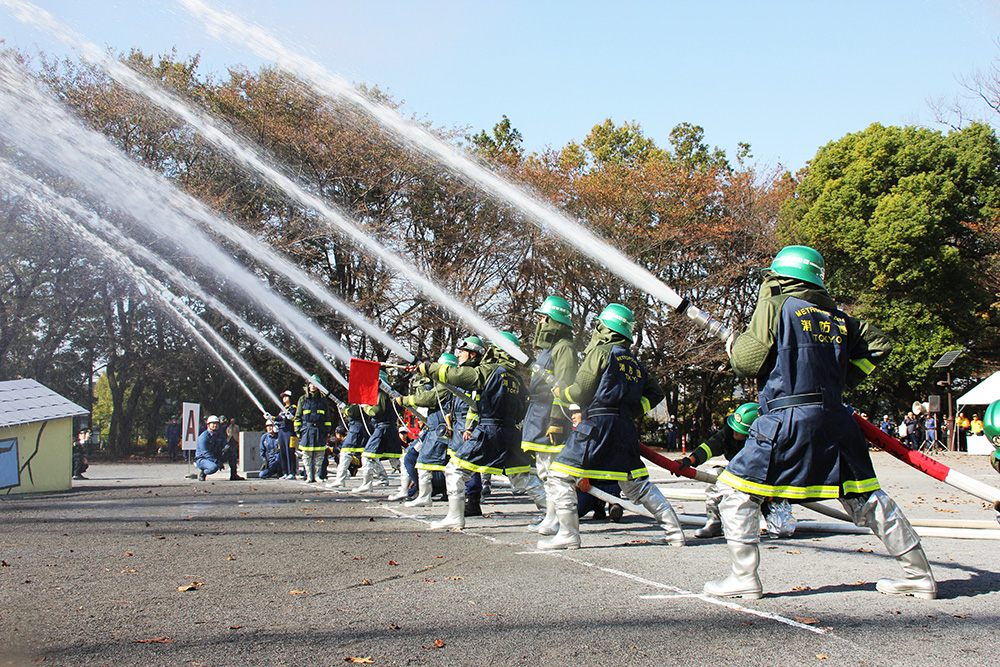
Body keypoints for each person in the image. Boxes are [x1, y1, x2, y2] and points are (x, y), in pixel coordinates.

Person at [707, 245, 935, 600]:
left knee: (734, 492)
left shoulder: (775, 305)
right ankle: (919, 574)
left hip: (786, 418)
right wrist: (843, 378)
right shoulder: (839, 318)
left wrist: (735, 345)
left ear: (779, 277)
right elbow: (879, 344)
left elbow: (748, 364)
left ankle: (743, 578)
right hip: (836, 419)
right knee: (866, 499)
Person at [541, 303, 685, 551]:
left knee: (559, 475)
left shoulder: (600, 353)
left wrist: (560, 391)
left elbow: (579, 393)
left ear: (603, 327)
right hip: (624, 428)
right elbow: (656, 392)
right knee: (636, 484)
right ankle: (674, 532)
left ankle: (567, 534)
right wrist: (631, 410)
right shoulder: (634, 362)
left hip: (596, 427)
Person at [414, 332, 537, 531]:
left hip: (488, 430)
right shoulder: (516, 378)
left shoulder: (489, 371)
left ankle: (455, 517)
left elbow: (455, 375)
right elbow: (523, 407)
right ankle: (552, 514)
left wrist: (427, 368)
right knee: (522, 478)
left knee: (454, 470)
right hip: (511, 433)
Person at [675, 403, 795, 539]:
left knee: (782, 531)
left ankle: (762, 518)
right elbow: (711, 446)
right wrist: (690, 461)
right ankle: (714, 522)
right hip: (737, 478)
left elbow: (783, 472)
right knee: (714, 476)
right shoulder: (729, 432)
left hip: (764, 486)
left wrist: (772, 495)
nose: (734, 431)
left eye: (739, 429)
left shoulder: (768, 443)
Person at [521, 295, 578, 536]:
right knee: (544, 470)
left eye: (543, 318)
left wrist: (556, 419)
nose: (540, 323)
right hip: (538, 413)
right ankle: (551, 516)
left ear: (554, 320)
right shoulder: (548, 349)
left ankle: (556, 519)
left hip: (549, 414)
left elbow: (563, 384)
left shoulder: (564, 348)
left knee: (552, 470)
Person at [394, 353, 458, 506]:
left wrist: (405, 400)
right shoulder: (443, 383)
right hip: (434, 429)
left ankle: (426, 495)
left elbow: (427, 398)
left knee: (424, 461)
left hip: (439, 431)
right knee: (414, 458)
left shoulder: (446, 385)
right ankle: (427, 491)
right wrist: (420, 374)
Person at [354, 371, 406, 495]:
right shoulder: (391, 394)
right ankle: (408, 484)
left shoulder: (380, 395)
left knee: (367, 456)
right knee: (396, 460)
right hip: (391, 429)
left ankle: (367, 484)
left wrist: (365, 406)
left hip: (381, 429)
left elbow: (376, 412)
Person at [295, 376, 332, 483]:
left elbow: (327, 417)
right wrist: (298, 430)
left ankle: (317, 475)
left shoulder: (323, 400)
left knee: (319, 455)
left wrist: (327, 430)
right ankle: (309, 475)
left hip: (320, 430)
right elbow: (298, 417)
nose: (313, 386)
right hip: (307, 429)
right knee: (307, 455)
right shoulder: (303, 399)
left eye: (315, 384)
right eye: (311, 384)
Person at [328, 402, 370, 488]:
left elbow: (353, 412)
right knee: (370, 456)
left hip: (356, 430)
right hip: (360, 429)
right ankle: (382, 477)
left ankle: (340, 480)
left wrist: (345, 409)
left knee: (344, 454)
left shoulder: (357, 401)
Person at [195, 415, 243, 481]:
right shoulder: (203, 437)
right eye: (213, 424)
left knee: (231, 453)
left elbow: (225, 444)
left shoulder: (219, 435)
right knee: (213, 468)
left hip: (216, 455)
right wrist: (217, 462)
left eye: (217, 424)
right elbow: (205, 453)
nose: (215, 425)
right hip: (204, 458)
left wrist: (227, 448)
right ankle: (203, 472)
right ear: (208, 425)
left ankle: (234, 475)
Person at [276, 390, 298, 479]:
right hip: (282, 432)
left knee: (290, 452)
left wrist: (276, 418)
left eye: (286, 396)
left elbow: (286, 417)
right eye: (283, 397)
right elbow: (279, 418)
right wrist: (272, 418)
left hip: (290, 432)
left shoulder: (293, 408)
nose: (284, 398)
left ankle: (292, 472)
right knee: (283, 452)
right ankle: (285, 472)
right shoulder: (282, 409)